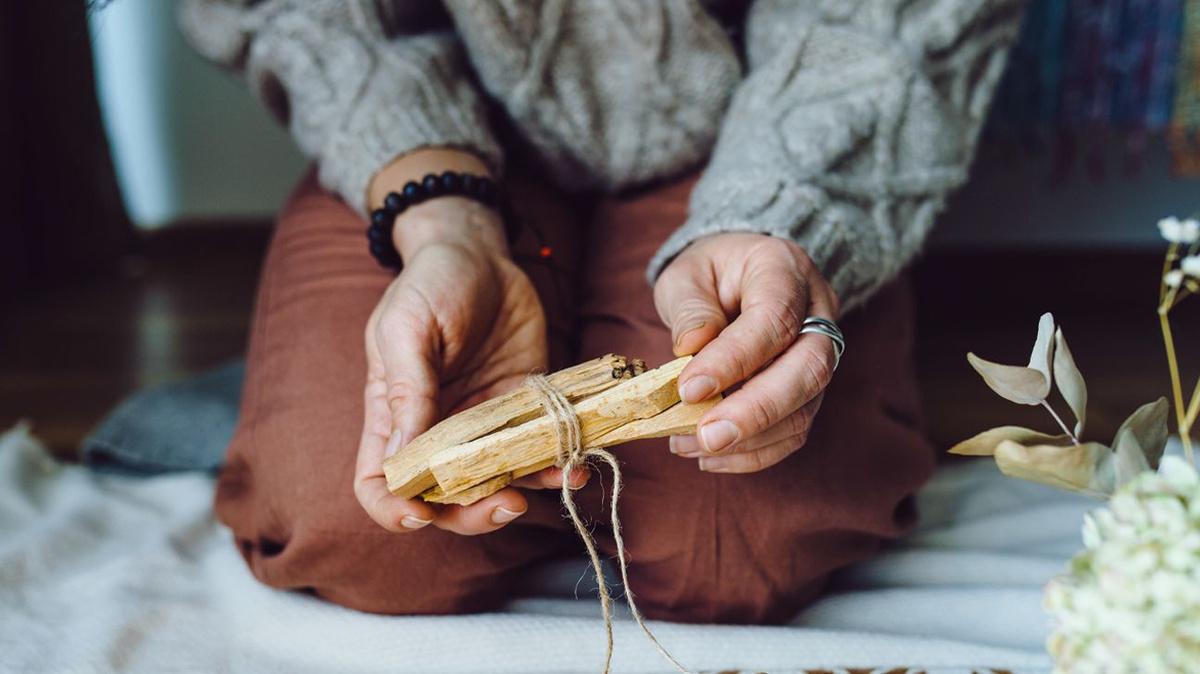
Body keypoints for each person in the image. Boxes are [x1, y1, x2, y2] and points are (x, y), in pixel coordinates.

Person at [180, 0, 1025, 623]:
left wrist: (785, 216)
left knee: (736, 550)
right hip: (437, 146)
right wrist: (442, 220)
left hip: (762, 133)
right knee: (364, 535)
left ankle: (618, 397)